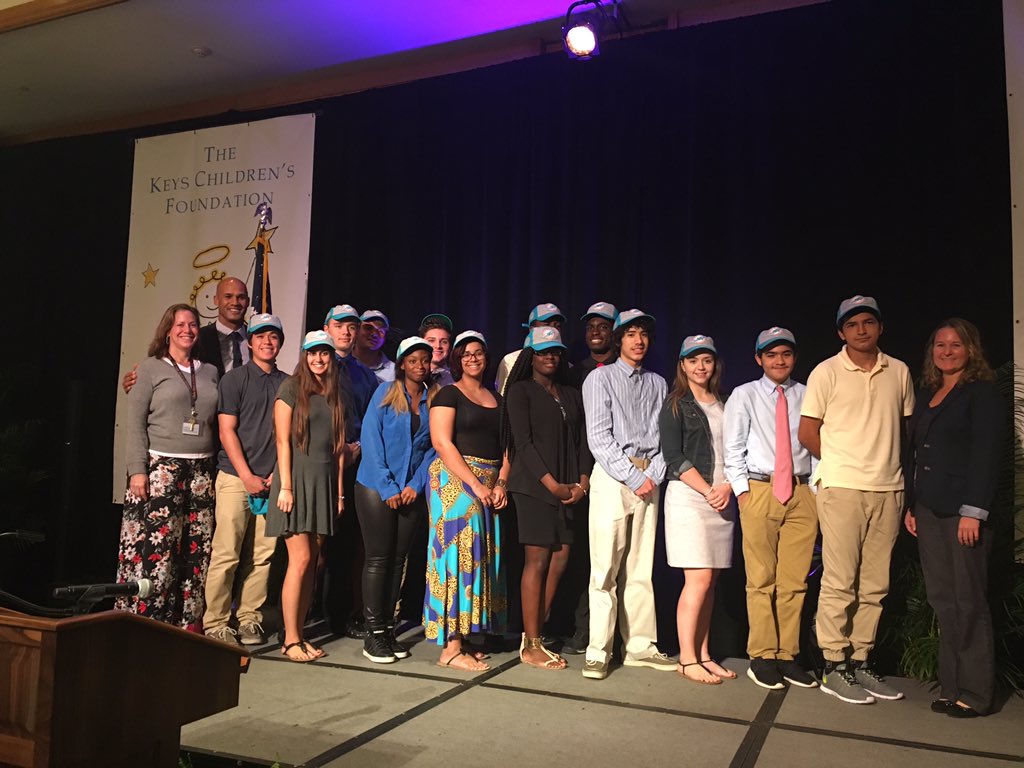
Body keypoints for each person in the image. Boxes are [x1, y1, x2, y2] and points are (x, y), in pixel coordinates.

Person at [798, 295, 914, 705]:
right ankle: (834, 663)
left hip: (889, 487)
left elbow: (905, 429)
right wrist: (842, 462)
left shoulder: (898, 371)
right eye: (853, 324)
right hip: (842, 487)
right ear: (841, 332)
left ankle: (861, 659)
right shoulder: (826, 372)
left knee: (876, 583)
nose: (861, 330)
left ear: (880, 327)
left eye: (869, 322)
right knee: (839, 579)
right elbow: (808, 431)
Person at [903, 318, 1003, 718]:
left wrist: (973, 512)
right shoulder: (930, 393)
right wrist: (912, 505)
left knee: (969, 601)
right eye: (940, 345)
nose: (947, 351)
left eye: (955, 345)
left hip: (963, 514)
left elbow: (986, 455)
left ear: (971, 349)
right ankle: (951, 687)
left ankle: (976, 694)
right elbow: (916, 455)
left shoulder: (981, 393)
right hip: (928, 511)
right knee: (943, 600)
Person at [723, 327, 818, 690]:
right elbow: (733, 448)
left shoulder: (809, 394)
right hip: (761, 488)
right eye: (772, 354)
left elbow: (820, 445)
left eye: (786, 354)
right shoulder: (744, 394)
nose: (780, 361)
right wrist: (744, 493)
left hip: (801, 491)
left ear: (794, 358)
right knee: (761, 578)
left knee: (794, 580)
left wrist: (815, 489)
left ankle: (787, 655)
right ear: (758, 358)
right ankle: (762, 655)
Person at [581, 309, 674, 680]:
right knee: (604, 568)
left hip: (649, 477)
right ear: (619, 339)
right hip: (614, 479)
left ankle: (639, 646)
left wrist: (652, 474)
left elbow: (667, 437)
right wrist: (633, 478)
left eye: (644, 334)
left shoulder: (658, 382)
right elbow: (599, 438)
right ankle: (598, 650)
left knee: (640, 568)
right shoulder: (599, 379)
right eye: (631, 333)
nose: (639, 340)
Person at [116, 303, 219, 630]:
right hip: (160, 469)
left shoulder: (210, 371)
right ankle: (149, 621)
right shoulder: (148, 368)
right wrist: (137, 469)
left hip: (201, 472)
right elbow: (134, 424)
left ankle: (188, 621)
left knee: (196, 547)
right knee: (157, 550)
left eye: (193, 324)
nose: (187, 330)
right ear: (167, 330)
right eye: (180, 324)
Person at [499, 327, 593, 670]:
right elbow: (522, 444)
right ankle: (533, 642)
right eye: (542, 352)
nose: (549, 357)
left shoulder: (570, 393)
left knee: (561, 560)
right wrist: (552, 485)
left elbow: (583, 441)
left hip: (570, 488)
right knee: (537, 561)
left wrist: (582, 482)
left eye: (555, 352)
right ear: (531, 356)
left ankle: (534, 632)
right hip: (534, 487)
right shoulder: (520, 391)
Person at [424, 330, 510, 671]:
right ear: (458, 360)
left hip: (490, 480)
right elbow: (443, 443)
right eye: (466, 354)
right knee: (458, 557)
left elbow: (507, 446)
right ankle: (451, 646)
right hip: (456, 480)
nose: (473, 358)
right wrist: (475, 485)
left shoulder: (497, 398)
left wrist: (501, 481)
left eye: (479, 353)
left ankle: (471, 635)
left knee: (481, 557)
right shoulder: (449, 394)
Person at [203, 314, 288, 646]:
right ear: (250, 342)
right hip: (235, 478)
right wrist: (247, 475)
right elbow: (226, 430)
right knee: (227, 552)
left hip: (273, 480)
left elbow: (289, 435)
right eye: (260, 336)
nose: (267, 341)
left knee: (263, 555)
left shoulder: (287, 382)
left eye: (273, 336)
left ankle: (250, 617)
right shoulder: (234, 380)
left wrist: (272, 476)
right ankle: (217, 621)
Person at [658, 335, 736, 685]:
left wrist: (727, 488)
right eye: (693, 361)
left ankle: (704, 654)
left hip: (722, 496)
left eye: (706, 360)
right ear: (683, 366)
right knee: (698, 579)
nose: (700, 367)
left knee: (712, 581)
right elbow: (674, 456)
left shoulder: (727, 402)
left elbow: (737, 451)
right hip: (691, 498)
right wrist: (708, 490)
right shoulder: (675, 404)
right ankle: (687, 658)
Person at [356, 336, 438, 664]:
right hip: (376, 487)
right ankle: (372, 634)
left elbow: (435, 447)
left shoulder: (435, 399)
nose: (420, 366)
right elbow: (370, 441)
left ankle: (388, 628)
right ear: (402, 363)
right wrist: (389, 488)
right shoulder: (385, 393)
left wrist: (415, 485)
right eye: (413, 360)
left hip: (411, 490)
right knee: (378, 559)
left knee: (399, 561)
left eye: (425, 361)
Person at [266, 330, 346, 662]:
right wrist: (285, 486)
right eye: (312, 353)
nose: (318, 359)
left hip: (324, 482)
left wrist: (339, 492)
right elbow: (282, 441)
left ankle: (299, 633)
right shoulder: (290, 389)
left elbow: (339, 448)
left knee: (313, 562)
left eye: (324, 353)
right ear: (304, 356)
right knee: (299, 561)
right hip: (295, 482)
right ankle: (290, 639)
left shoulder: (335, 394)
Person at [322, 304, 380, 638]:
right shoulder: (317, 365)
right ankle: (318, 612)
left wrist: (359, 447)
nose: (346, 331)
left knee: (350, 542)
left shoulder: (364, 374)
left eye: (352, 327)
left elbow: (372, 418)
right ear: (327, 328)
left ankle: (345, 615)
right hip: (322, 463)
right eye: (340, 325)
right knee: (319, 543)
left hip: (356, 462)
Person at [563, 301, 617, 655]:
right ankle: (583, 630)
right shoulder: (573, 371)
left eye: (603, 326)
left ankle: (621, 635)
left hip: (617, 474)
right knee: (585, 556)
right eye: (590, 327)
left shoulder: (630, 368)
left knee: (616, 560)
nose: (596, 332)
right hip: (582, 473)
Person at [122, 276, 250, 392]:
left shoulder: (260, 340)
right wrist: (139, 382)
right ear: (216, 300)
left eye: (241, 297)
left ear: (248, 302)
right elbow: (164, 369)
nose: (235, 302)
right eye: (228, 296)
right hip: (207, 416)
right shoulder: (195, 338)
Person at [495, 303, 566, 394]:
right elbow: (504, 397)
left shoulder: (566, 365)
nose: (553, 330)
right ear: (531, 329)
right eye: (546, 325)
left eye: (557, 326)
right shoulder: (510, 360)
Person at [354, 309, 395, 383]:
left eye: (380, 331)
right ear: (357, 330)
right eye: (368, 328)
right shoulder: (341, 364)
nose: (374, 334)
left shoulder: (394, 372)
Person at [419, 313, 455, 388]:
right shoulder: (410, 377)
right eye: (431, 340)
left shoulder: (457, 380)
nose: (438, 346)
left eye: (444, 342)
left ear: (450, 346)